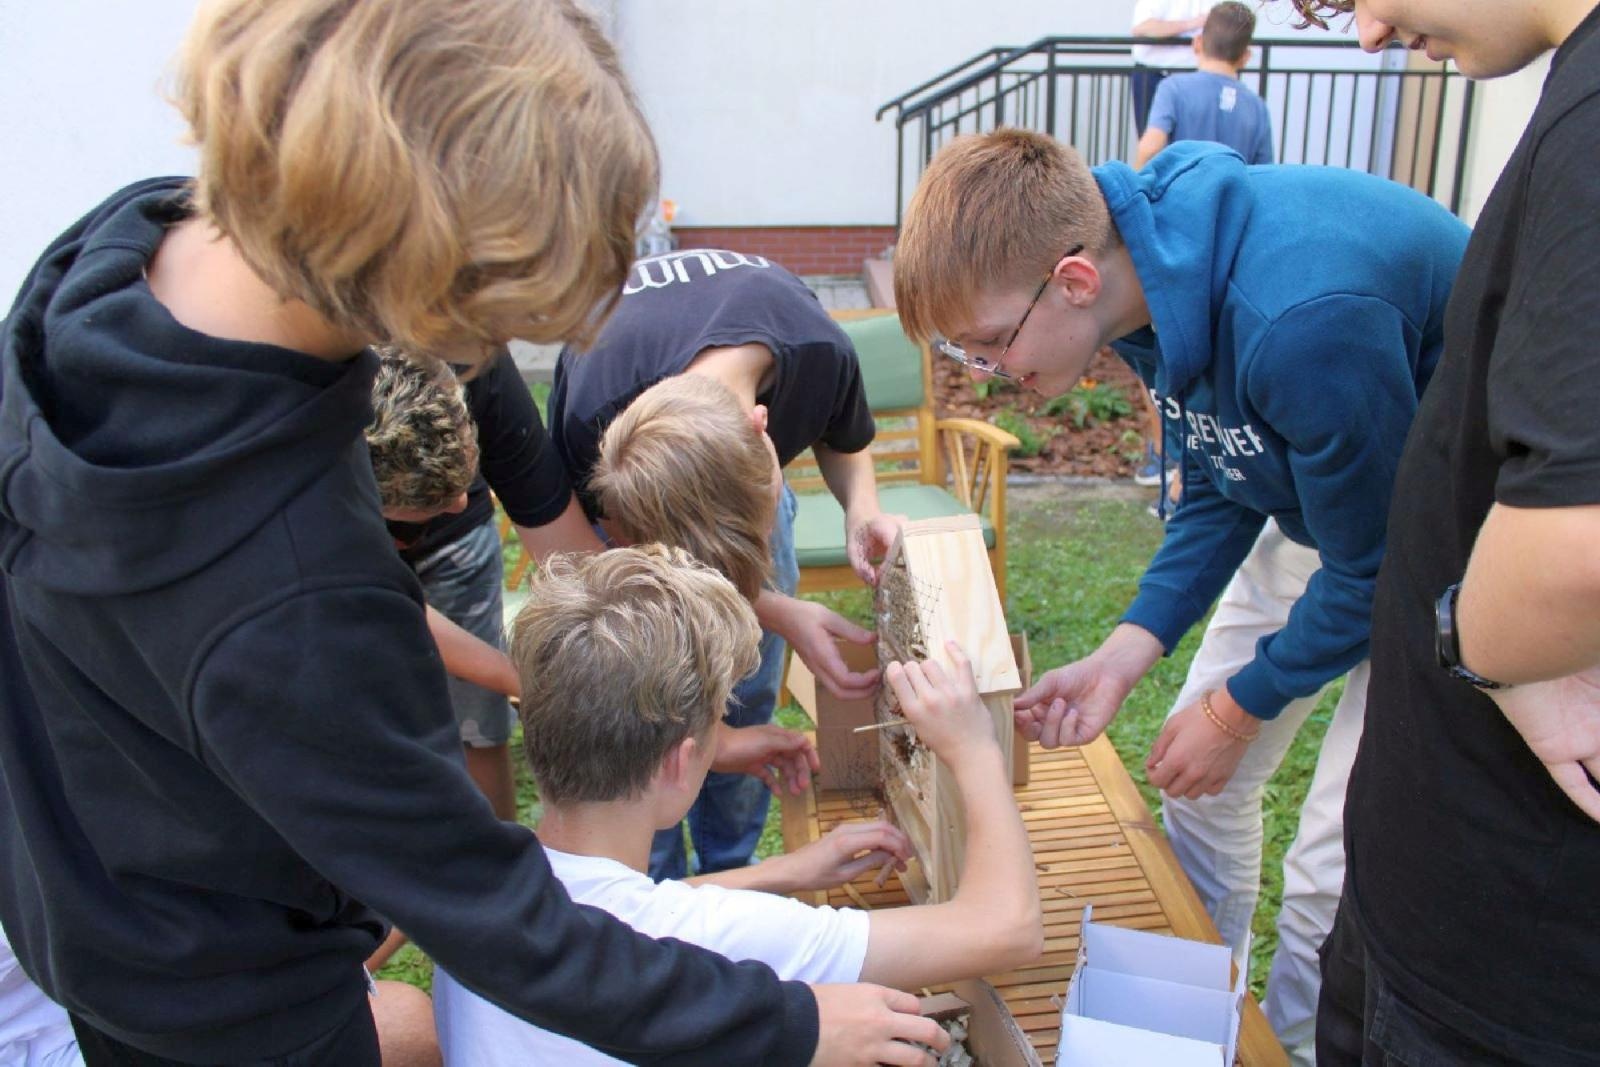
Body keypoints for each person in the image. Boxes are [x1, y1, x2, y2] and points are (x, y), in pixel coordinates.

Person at [0, 1, 945, 1063]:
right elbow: (505, 920)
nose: (490, 351)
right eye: (498, 316)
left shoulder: (104, 266)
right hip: (238, 1009)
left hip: (96, 914)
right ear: (421, 260)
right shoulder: (298, 597)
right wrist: (786, 1019)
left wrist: (758, 616)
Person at [890, 128, 1468, 1064]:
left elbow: (1377, 571)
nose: (994, 374)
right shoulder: (1143, 283)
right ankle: (1211, 1006)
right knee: (1200, 780)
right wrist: (1130, 647)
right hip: (1345, 504)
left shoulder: (1300, 318)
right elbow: (1223, 478)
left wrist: (1239, 706)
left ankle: (1289, 1044)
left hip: (1451, 540)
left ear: (1073, 279)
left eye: (992, 343)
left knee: (1340, 855)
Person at [1280, 1, 1600, 1063]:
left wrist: (1486, 645)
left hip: (1505, 967)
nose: (1365, 32)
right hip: (1433, 893)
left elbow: (1575, 547)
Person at [432, 546, 1043, 1066]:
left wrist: (783, 872)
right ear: (679, 762)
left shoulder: (478, 892)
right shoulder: (716, 939)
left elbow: (614, 914)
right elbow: (1006, 929)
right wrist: (973, 746)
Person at [548, 250, 900, 880]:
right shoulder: (589, 408)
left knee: (746, 686)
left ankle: (729, 866)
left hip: (713, 488)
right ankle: (647, 877)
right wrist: (778, 610)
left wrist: (860, 510)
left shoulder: (817, 349)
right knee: (641, 699)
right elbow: (578, 554)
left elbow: (845, 439)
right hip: (622, 529)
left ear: (762, 426)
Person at [1134, 1, 1274, 169]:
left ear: (1197, 43)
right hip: (1235, 193)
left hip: (1181, 192)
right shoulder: (1257, 107)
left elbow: (1150, 147)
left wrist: (1136, 187)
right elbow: (1265, 169)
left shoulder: (1173, 88)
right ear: (1245, 57)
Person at [1129, 0, 1212, 134]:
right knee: (1152, 138)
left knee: (1190, 140)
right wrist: (1192, 23)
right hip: (1153, 74)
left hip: (1192, 75)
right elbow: (1142, 27)